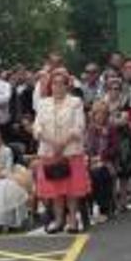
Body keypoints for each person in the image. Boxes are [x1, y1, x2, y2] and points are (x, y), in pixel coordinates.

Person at [33, 68, 90, 233]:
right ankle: (59, 221)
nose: (57, 87)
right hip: (49, 151)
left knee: (71, 190)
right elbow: (37, 127)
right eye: (54, 84)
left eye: (61, 84)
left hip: (70, 151)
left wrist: (62, 143)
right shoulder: (43, 103)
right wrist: (52, 142)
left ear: (67, 86)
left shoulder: (75, 102)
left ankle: (72, 220)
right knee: (56, 190)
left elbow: (79, 126)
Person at [86, 100, 119, 221]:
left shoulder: (111, 128)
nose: (100, 116)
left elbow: (115, 148)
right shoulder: (90, 129)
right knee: (88, 174)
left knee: (100, 174)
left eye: (103, 113)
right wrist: (91, 158)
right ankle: (90, 208)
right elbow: (87, 147)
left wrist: (102, 157)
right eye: (98, 113)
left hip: (107, 161)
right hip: (91, 160)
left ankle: (103, 207)